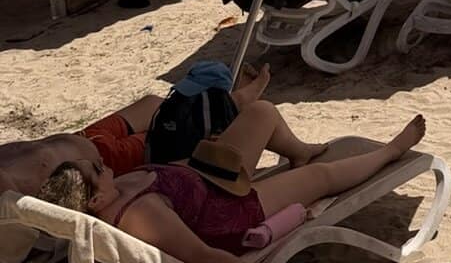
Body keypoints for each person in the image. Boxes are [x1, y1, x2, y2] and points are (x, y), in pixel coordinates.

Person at [39, 105, 427, 263]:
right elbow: (205, 257)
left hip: (212, 179)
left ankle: (299, 153)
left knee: (261, 112)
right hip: (234, 213)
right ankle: (391, 152)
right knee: (321, 179)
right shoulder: (143, 216)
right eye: (97, 169)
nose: (104, 164)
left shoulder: (114, 194)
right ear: (95, 199)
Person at [0, 66, 272, 197]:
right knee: (180, 128)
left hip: (85, 137)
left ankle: (233, 101)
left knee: (154, 103)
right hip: (104, 162)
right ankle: (239, 102)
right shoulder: (9, 190)